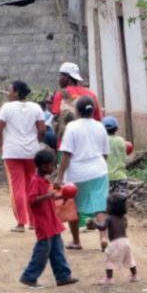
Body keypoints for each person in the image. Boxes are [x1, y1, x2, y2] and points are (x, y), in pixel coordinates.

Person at [54, 96, 110, 251]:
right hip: (99, 170)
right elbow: (105, 154)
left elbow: (66, 154)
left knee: (73, 208)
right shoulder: (100, 126)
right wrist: (100, 166)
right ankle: (103, 237)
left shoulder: (72, 127)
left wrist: (59, 176)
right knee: (100, 206)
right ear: (92, 111)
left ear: (77, 111)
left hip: (76, 173)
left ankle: (76, 240)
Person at [19, 149, 79, 288]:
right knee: (42, 251)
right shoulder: (35, 181)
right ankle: (29, 276)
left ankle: (63, 276)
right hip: (43, 223)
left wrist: (61, 196)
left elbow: (48, 199)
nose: (54, 168)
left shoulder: (44, 181)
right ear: (44, 166)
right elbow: (32, 200)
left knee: (57, 250)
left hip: (52, 222)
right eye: (53, 165)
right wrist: (48, 196)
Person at [0, 80, 46, 233]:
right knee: (32, 185)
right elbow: (42, 130)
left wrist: (2, 145)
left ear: (16, 92)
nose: (7, 93)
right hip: (32, 151)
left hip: (12, 151)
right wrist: (36, 142)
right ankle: (33, 221)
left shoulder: (6, 108)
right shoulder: (36, 107)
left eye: (9, 90)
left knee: (17, 186)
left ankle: (20, 222)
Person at [87, 194, 138, 284]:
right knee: (129, 259)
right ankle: (135, 275)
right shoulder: (124, 218)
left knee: (109, 259)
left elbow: (102, 227)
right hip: (126, 241)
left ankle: (109, 278)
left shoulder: (109, 218)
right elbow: (124, 226)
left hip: (116, 242)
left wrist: (94, 223)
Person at [51, 63, 102, 142]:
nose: (59, 79)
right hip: (88, 142)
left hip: (66, 143)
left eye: (61, 76)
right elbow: (98, 119)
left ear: (67, 77)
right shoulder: (91, 95)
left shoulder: (60, 95)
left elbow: (56, 120)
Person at [103, 116, 129, 195]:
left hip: (105, 178)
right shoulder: (121, 141)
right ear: (116, 128)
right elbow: (125, 160)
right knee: (121, 203)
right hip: (120, 177)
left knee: (108, 203)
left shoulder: (102, 141)